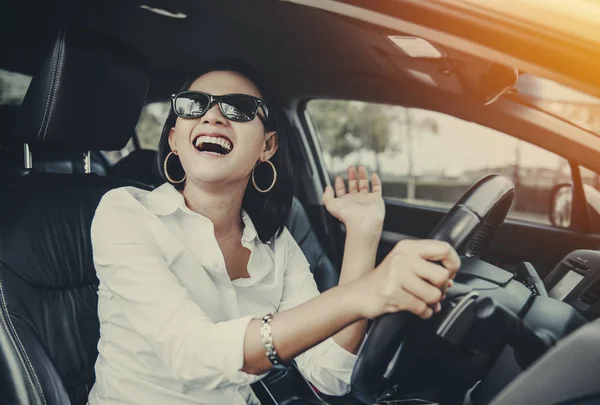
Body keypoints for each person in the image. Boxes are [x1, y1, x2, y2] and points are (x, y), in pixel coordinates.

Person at [87, 58, 460, 405]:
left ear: (267, 146)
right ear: (173, 139)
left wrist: (363, 234)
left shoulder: (276, 245)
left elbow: (330, 374)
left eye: (239, 108)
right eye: (192, 104)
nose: (212, 117)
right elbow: (192, 353)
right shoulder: (125, 213)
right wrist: (363, 294)